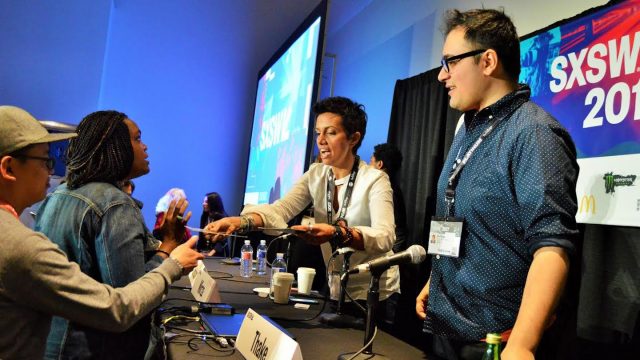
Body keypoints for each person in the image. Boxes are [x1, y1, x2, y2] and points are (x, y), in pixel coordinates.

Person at [415, 9, 579, 360]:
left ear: (487, 61)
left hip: (495, 341)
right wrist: (437, 280)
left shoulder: (534, 133)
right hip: (447, 327)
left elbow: (553, 248)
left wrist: (521, 345)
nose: (442, 76)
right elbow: (473, 224)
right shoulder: (467, 130)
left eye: (450, 62)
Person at [0, 105, 203, 359]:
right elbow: (127, 302)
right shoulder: (114, 204)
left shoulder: (59, 194)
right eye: (45, 161)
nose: (51, 170)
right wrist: (169, 255)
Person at [206, 96, 400, 320]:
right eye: (318, 132)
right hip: (338, 286)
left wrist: (337, 233)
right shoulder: (316, 174)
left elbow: (385, 237)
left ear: (353, 138)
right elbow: (281, 210)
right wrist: (241, 222)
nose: (321, 140)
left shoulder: (375, 180)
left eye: (331, 132)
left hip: (377, 292)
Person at [370, 143, 407, 253]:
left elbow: (398, 233)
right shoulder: (393, 188)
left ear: (379, 164)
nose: (367, 167)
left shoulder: (387, 191)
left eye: (370, 162)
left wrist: (391, 259)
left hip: (388, 255)